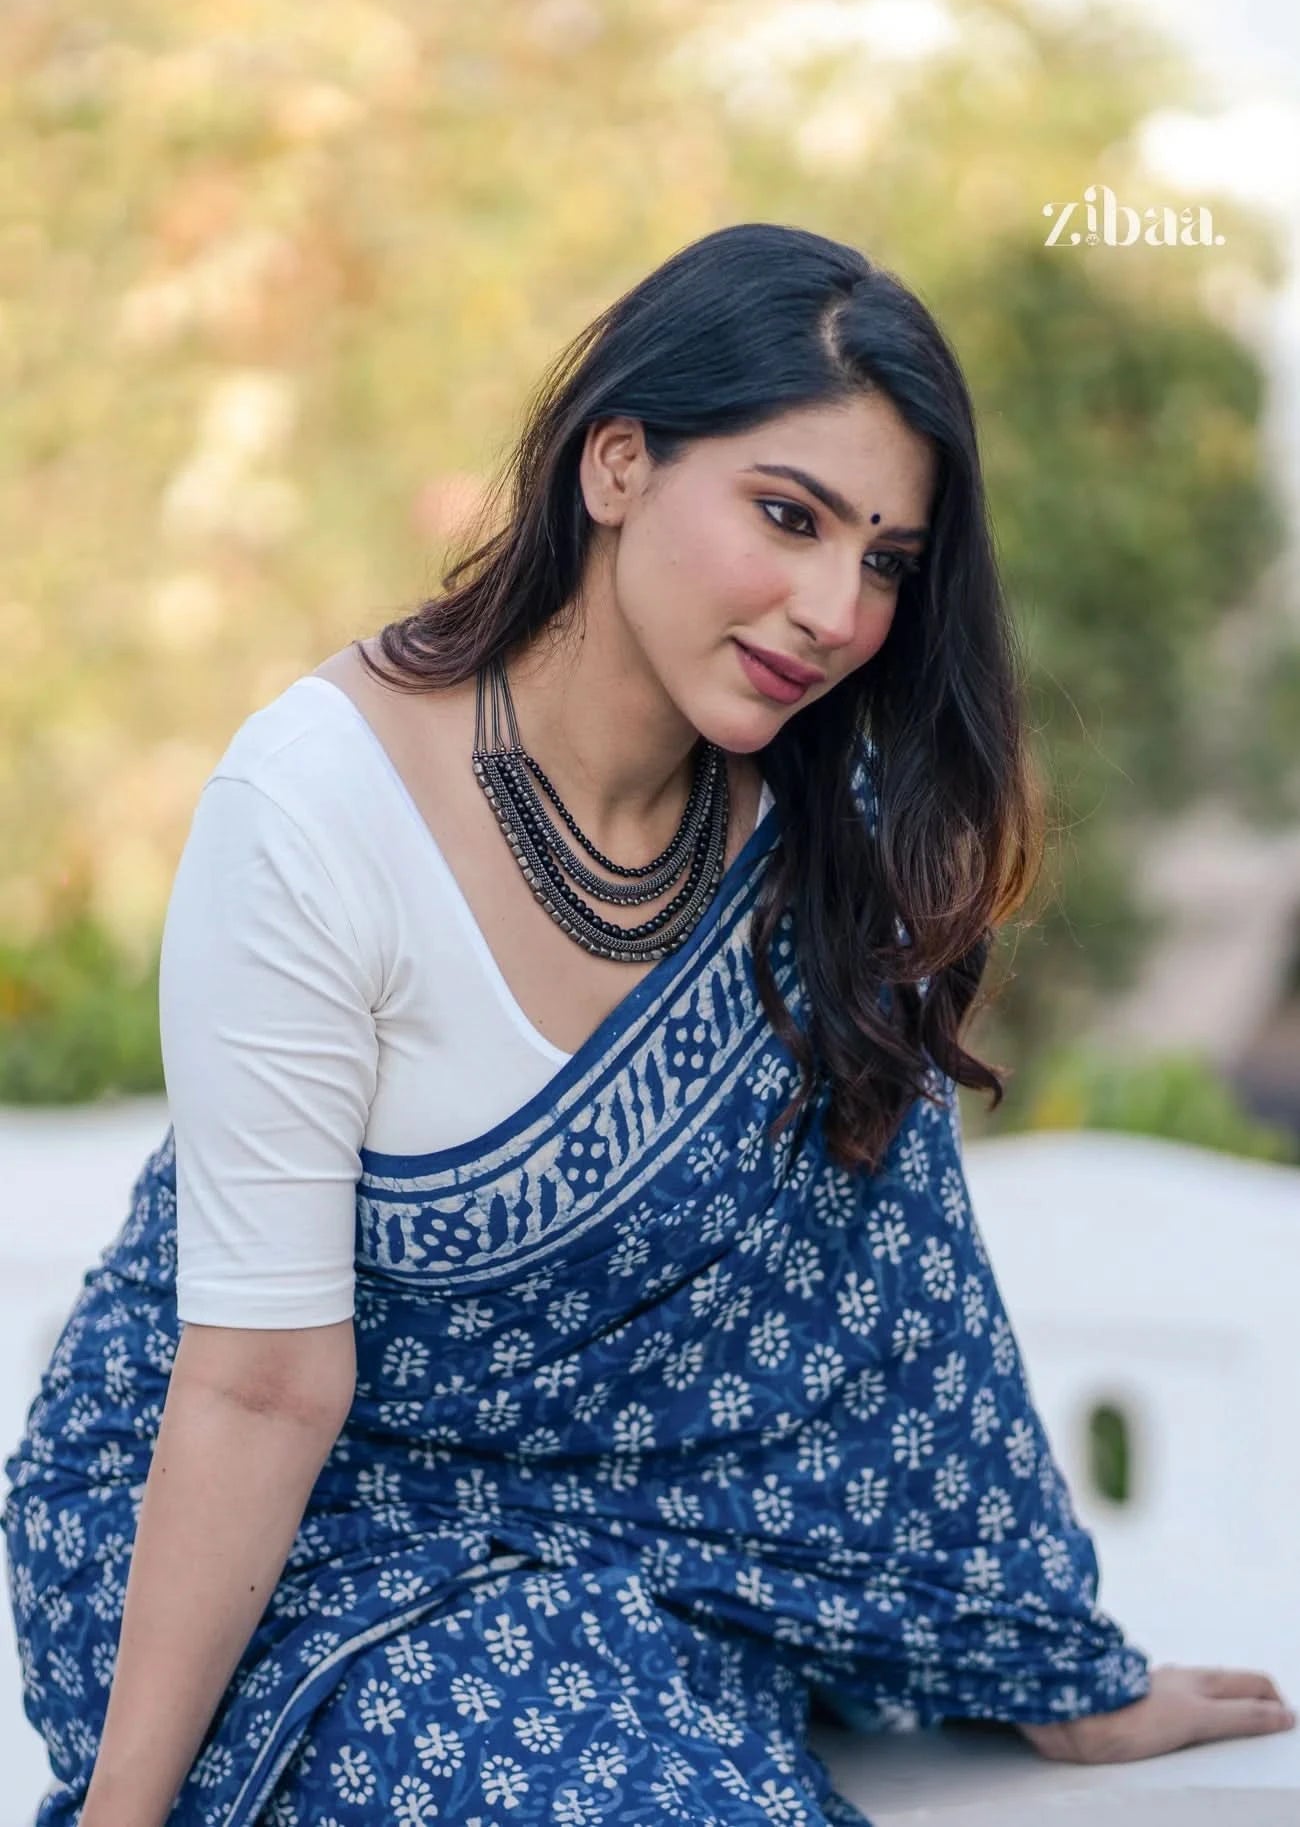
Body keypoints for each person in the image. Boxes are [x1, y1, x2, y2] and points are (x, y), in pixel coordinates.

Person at [4, 222, 1293, 1827]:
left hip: (634, 1544)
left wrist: (1058, 1677)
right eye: (787, 514)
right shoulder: (319, 808)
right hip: (258, 1543)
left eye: (885, 560)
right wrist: (127, 1810)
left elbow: (905, 1317)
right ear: (616, 464)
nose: (836, 607)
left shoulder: (824, 829)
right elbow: (263, 1387)